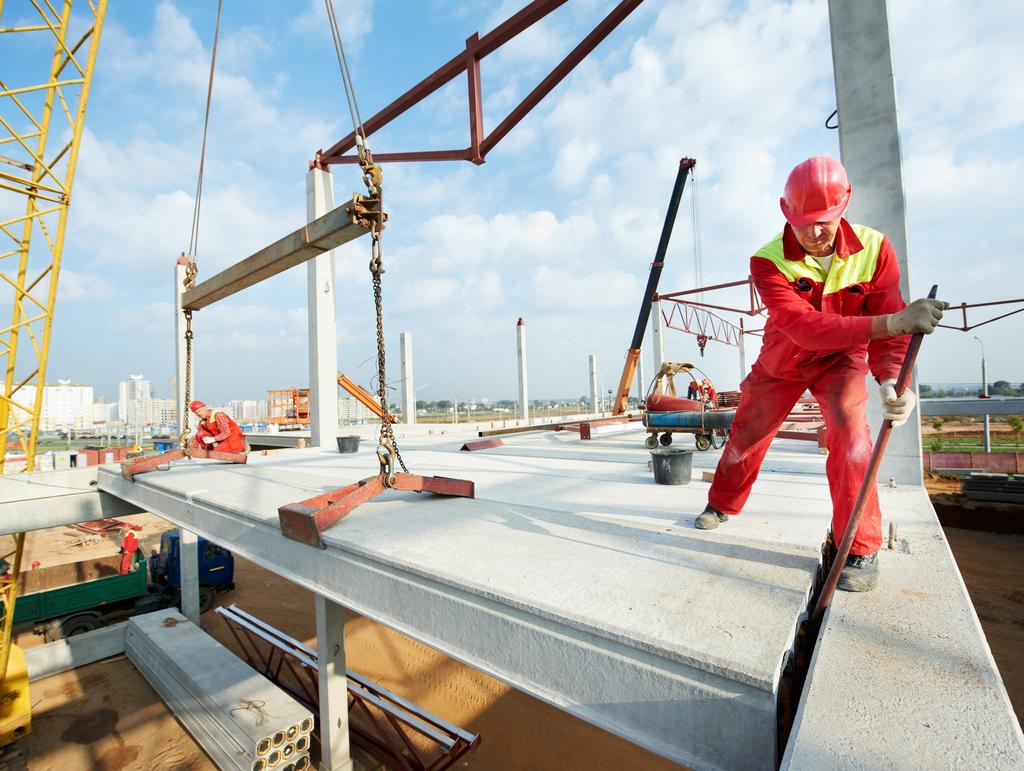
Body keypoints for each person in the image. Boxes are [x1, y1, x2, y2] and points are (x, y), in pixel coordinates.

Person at [694, 156, 948, 592]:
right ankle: (722, 503)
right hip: (783, 360)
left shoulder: (875, 249)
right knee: (746, 434)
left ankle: (860, 547)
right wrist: (891, 323)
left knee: (852, 441)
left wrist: (891, 381)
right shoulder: (767, 260)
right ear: (785, 212)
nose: (815, 233)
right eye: (804, 222)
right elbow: (804, 328)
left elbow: (891, 327)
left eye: (825, 221)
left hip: (842, 360)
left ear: (845, 205)